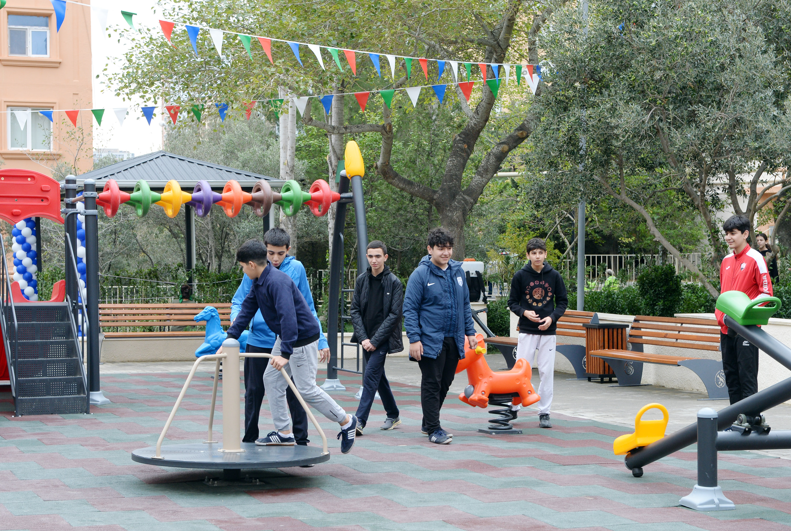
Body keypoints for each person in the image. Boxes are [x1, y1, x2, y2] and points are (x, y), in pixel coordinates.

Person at [224, 240, 357, 453]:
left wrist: (285, 353)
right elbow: (247, 308)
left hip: (301, 340)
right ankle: (284, 433)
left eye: (242, 267)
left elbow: (289, 318)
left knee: (306, 389)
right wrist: (230, 338)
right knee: (271, 379)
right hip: (286, 337)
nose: (243, 271)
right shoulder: (259, 281)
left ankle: (346, 420)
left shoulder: (277, 282)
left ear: (251, 264)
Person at [230, 228, 330, 445]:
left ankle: (301, 440)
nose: (275, 258)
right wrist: (231, 336)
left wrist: (321, 340)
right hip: (260, 340)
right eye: (271, 253)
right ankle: (253, 439)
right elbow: (243, 303)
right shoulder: (254, 269)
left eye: (280, 253)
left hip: (289, 341)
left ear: (288, 250)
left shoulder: (292, 271)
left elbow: (305, 307)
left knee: (297, 391)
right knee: (255, 391)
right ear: (263, 251)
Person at [403, 228, 478, 445]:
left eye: (448, 248)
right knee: (431, 383)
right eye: (440, 248)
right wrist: (414, 339)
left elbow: (465, 305)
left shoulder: (458, 272)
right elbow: (410, 309)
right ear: (430, 249)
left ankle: (428, 422)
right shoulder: (420, 274)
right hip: (429, 340)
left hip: (454, 338)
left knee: (445, 382)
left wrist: (470, 332)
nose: (446, 252)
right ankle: (434, 429)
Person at [715, 215, 774, 428]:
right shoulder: (726, 261)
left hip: (746, 329)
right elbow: (724, 294)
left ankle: (751, 420)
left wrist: (745, 313)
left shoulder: (755, 258)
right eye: (726, 233)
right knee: (731, 376)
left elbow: (766, 293)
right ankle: (736, 421)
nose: (728, 237)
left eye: (733, 233)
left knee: (746, 377)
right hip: (726, 328)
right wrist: (721, 316)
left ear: (745, 234)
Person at [507, 237, 568, 429]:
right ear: (528, 255)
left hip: (548, 332)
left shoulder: (554, 276)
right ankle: (514, 406)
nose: (537, 256)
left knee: (546, 372)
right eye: (533, 253)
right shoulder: (520, 276)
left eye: (540, 252)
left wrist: (552, 318)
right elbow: (512, 303)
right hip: (527, 331)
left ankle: (544, 412)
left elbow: (563, 302)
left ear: (545, 254)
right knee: (521, 371)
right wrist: (525, 313)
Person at [350, 241, 403, 435]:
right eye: (371, 256)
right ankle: (393, 414)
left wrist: (375, 341)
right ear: (367, 257)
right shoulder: (361, 280)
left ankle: (359, 421)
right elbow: (355, 310)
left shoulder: (394, 283)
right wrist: (364, 338)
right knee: (378, 377)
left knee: (371, 376)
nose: (374, 260)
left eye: (378, 256)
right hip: (366, 339)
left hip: (383, 340)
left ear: (385, 257)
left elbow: (394, 315)